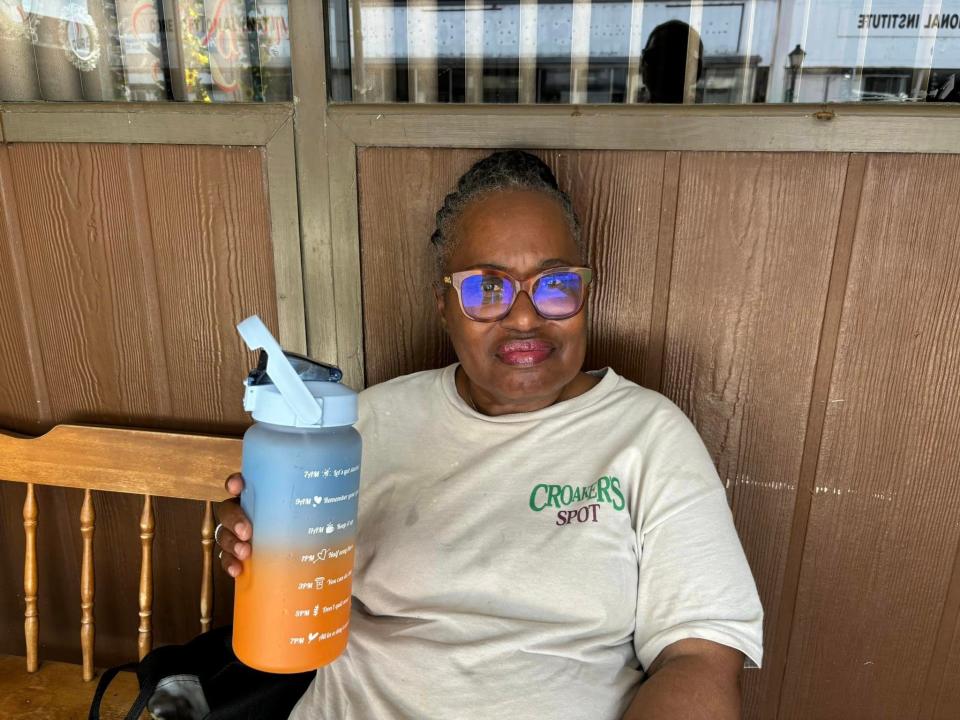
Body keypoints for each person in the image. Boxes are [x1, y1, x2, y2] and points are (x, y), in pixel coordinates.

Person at [216, 150, 763, 719]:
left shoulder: (648, 436)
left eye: (555, 285)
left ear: (586, 296)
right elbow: (299, 581)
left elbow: (700, 656)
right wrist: (254, 537)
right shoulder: (363, 428)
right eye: (487, 289)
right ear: (444, 306)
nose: (525, 317)